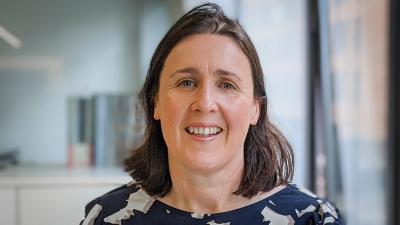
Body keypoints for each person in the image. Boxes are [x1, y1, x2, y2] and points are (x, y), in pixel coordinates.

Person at [80, 3, 345, 225]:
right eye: (186, 82)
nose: (205, 103)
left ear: (256, 109)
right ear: (156, 103)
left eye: (227, 85)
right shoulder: (107, 218)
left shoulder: (313, 219)